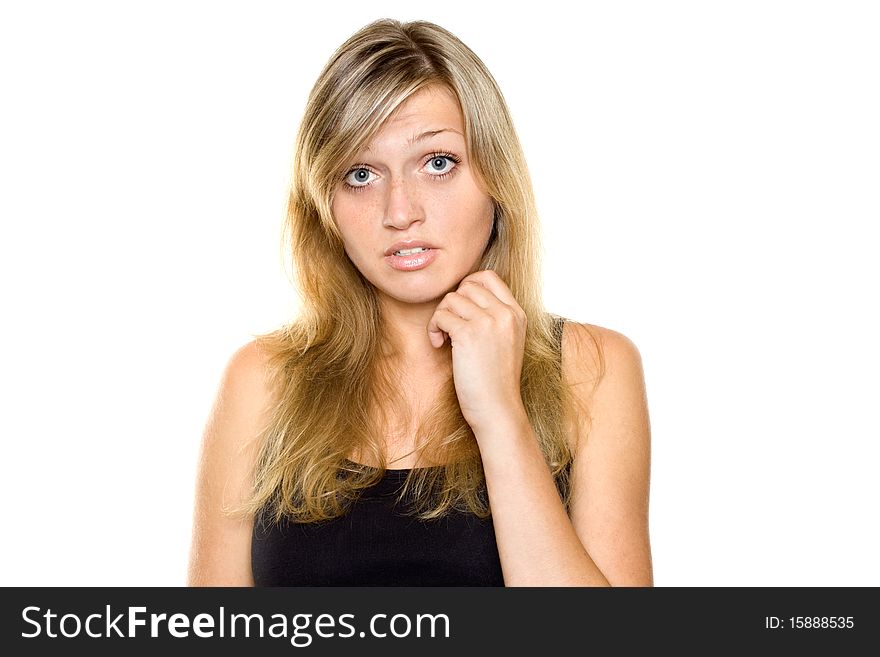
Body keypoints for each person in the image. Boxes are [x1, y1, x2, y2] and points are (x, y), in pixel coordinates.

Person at [186, 18, 653, 587]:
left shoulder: (592, 368)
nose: (399, 211)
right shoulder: (263, 379)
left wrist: (500, 416)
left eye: (437, 162)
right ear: (323, 204)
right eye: (360, 174)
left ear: (494, 174)